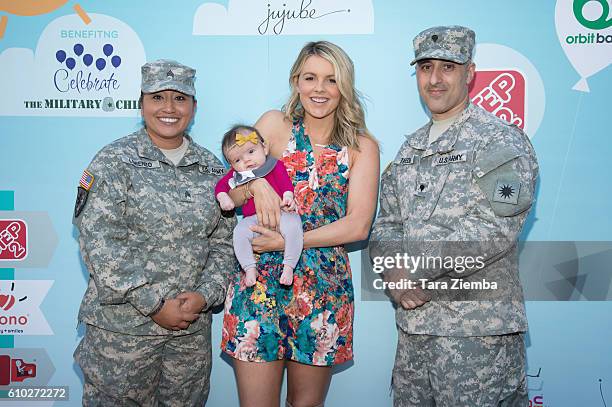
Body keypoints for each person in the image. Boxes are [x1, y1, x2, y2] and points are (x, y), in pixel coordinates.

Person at [370, 26, 539, 406]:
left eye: (448, 67)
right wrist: (394, 273)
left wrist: (411, 267)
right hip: (414, 332)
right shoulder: (411, 148)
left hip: (477, 336)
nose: (434, 79)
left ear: (470, 72)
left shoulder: (499, 140)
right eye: (425, 67)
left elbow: (496, 226)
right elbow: (386, 224)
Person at [221, 41, 380, 407]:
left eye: (331, 80)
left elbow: (357, 226)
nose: (319, 89)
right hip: (258, 284)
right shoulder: (272, 125)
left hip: (323, 289)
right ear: (296, 81)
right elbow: (233, 184)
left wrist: (288, 243)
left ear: (345, 86)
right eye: (310, 78)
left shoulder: (362, 146)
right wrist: (256, 182)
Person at [73, 59, 236, 406]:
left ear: (194, 107)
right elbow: (99, 243)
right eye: (157, 97)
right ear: (141, 102)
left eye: (180, 98)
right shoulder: (114, 161)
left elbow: (224, 243)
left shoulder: (212, 169)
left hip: (188, 339)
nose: (168, 108)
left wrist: (205, 295)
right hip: (122, 336)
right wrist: (154, 304)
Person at [215, 124, 303, 287]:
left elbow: (285, 183)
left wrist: (288, 196)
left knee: (294, 227)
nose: (246, 160)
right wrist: (223, 198)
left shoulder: (274, 166)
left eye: (251, 152)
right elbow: (220, 187)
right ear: (231, 165)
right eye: (237, 159)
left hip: (281, 213)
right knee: (239, 233)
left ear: (264, 148)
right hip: (254, 220)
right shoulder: (237, 176)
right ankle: (249, 267)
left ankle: (289, 266)